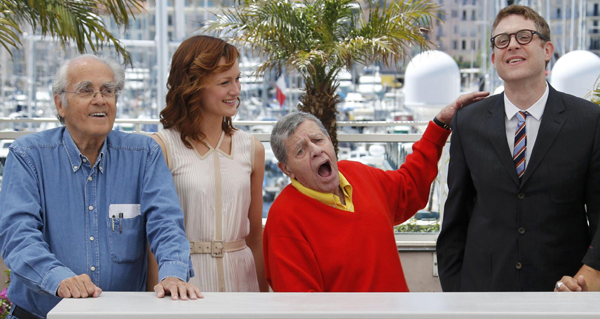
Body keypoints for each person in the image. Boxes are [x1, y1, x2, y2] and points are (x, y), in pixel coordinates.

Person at [0, 54, 201, 319]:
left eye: (108, 90)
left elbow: (166, 223)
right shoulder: (28, 155)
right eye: (86, 90)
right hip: (42, 314)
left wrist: (174, 274)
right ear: (60, 103)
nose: (100, 99)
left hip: (121, 314)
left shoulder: (144, 154)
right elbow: (18, 236)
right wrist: (58, 278)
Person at [436, 4, 600, 292]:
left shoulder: (588, 121)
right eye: (502, 40)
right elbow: (456, 218)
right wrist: (455, 292)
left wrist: (590, 274)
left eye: (523, 36)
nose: (512, 45)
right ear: (494, 57)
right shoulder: (469, 121)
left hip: (561, 294)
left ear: (547, 50)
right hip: (482, 292)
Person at [263, 90, 488, 292]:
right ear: (287, 169)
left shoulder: (358, 174)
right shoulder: (283, 220)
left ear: (330, 141)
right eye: (301, 150)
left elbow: (408, 186)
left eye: (318, 140)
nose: (315, 151)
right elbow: (301, 307)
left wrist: (440, 124)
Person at [147, 35, 268, 292]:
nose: (235, 90)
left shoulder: (252, 148)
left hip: (242, 283)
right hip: (185, 282)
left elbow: (255, 237)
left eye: (237, 79)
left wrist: (264, 297)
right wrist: (154, 296)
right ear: (193, 86)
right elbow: (151, 241)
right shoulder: (162, 147)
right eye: (224, 82)